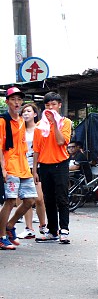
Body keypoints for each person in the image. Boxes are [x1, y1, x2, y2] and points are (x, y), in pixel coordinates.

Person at [0, 87, 38, 250]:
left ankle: (10, 225)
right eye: (13, 99)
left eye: (19, 100)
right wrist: (3, 168)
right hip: (10, 165)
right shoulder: (2, 121)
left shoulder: (22, 121)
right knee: (10, 201)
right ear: (7, 101)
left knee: (30, 200)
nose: (17, 103)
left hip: (23, 165)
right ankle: (1, 236)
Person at [33, 92, 73, 244]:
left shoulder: (66, 122)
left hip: (60, 164)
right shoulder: (39, 126)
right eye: (48, 105)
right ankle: (52, 231)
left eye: (54, 105)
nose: (51, 108)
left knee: (62, 198)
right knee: (48, 199)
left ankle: (64, 230)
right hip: (44, 165)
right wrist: (35, 170)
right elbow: (36, 149)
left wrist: (55, 124)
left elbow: (60, 141)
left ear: (59, 105)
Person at [14, 102, 47, 239]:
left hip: (37, 167)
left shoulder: (40, 128)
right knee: (25, 198)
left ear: (35, 114)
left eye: (28, 111)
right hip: (22, 167)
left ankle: (43, 226)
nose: (25, 113)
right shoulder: (19, 129)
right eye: (23, 112)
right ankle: (29, 228)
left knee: (39, 199)